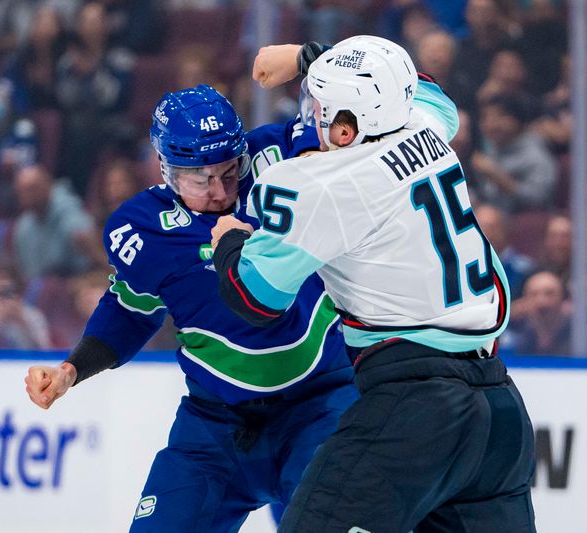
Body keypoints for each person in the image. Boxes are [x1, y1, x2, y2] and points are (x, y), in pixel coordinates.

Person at [212, 36, 535, 533]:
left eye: (318, 106)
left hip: (415, 413)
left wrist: (230, 241)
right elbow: (424, 89)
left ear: (346, 128)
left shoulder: (321, 183)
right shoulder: (426, 130)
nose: (309, 116)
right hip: (500, 413)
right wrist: (311, 57)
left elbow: (255, 297)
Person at [23, 85, 358, 532]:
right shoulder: (141, 228)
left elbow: (355, 110)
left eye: (229, 172)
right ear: (166, 170)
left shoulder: (278, 158)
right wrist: (71, 370)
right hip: (216, 426)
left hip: (319, 406)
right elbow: (129, 311)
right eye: (202, 179)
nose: (221, 191)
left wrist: (306, 62)